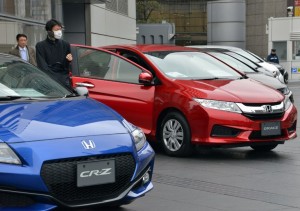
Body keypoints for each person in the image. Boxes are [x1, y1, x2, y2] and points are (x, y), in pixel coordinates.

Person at [36, 19, 73, 88]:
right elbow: (42, 65)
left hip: (63, 82)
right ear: (49, 31)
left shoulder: (65, 44)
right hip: (48, 81)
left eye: (60, 29)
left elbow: (68, 66)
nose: (59, 32)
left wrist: (70, 60)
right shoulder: (40, 46)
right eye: (56, 30)